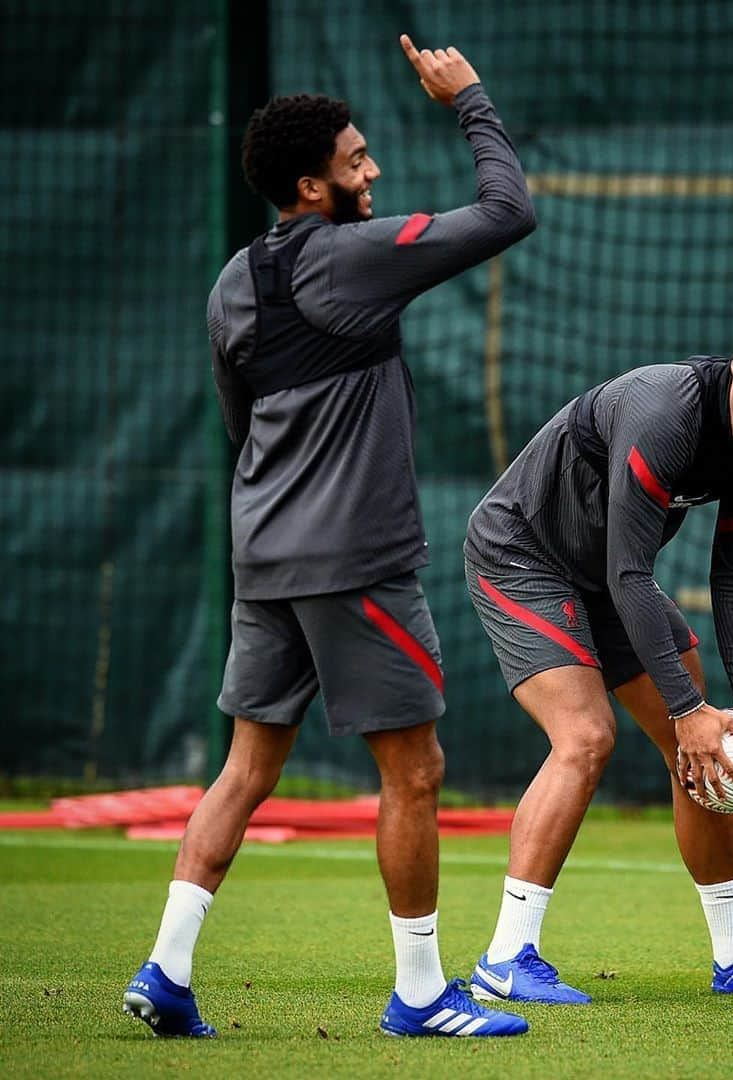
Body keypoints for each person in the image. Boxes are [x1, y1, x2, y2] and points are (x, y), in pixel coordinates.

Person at [123, 35, 536, 1039]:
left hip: (261, 556)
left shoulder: (234, 280)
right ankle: (422, 997)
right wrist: (471, 99)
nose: (373, 171)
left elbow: (237, 417)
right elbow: (508, 211)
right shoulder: (353, 254)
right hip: (354, 564)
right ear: (310, 187)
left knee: (248, 768)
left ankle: (166, 972)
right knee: (416, 772)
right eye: (356, 162)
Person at [463, 313, 733, 1004]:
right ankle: (506, 957)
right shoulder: (666, 412)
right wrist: (689, 707)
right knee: (585, 736)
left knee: (703, 746)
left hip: (607, 575)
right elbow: (632, 571)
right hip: (523, 556)